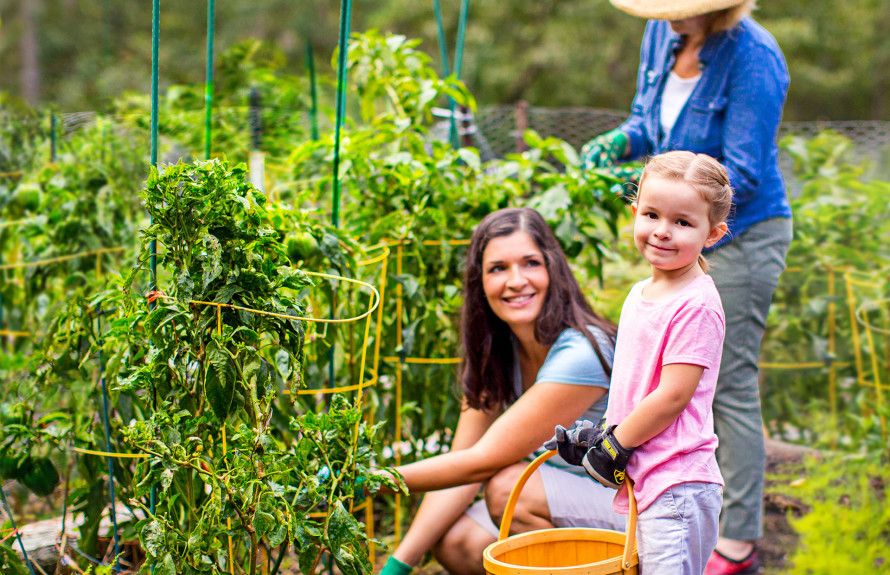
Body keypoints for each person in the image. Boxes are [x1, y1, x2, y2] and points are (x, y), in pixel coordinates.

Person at [580, 2, 793, 572]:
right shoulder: (661, 34)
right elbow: (646, 124)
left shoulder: (753, 56)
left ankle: (737, 541)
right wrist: (620, 145)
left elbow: (742, 173)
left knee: (727, 381)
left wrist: (665, 201)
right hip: (682, 220)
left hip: (740, 229)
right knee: (664, 368)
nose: (668, 15)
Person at [378, 207, 624, 575]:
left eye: (530, 263)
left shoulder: (582, 353)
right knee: (458, 541)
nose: (516, 281)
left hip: (629, 506)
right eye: (498, 269)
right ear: (480, 282)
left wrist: (371, 481)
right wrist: (397, 566)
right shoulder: (497, 353)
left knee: (510, 488)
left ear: (552, 269)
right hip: (569, 498)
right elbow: (463, 462)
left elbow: (484, 461)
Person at [552, 151, 732, 575]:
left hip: (678, 483)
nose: (662, 231)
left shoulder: (697, 305)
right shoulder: (640, 294)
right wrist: (601, 436)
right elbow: (638, 388)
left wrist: (615, 446)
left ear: (713, 233)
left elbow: (672, 396)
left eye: (682, 222)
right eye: (652, 215)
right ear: (635, 213)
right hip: (649, 478)